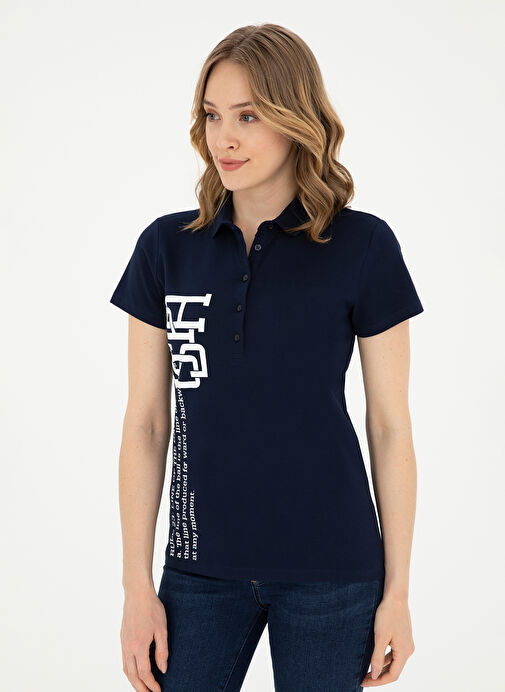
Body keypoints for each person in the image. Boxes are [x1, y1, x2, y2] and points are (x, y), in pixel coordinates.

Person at [110, 23, 423, 692]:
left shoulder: (362, 246)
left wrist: (396, 593)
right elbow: (146, 424)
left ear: (295, 118)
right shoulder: (166, 248)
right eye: (212, 115)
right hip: (197, 571)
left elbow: (390, 428)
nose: (223, 137)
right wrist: (137, 587)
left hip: (332, 573)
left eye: (248, 116)